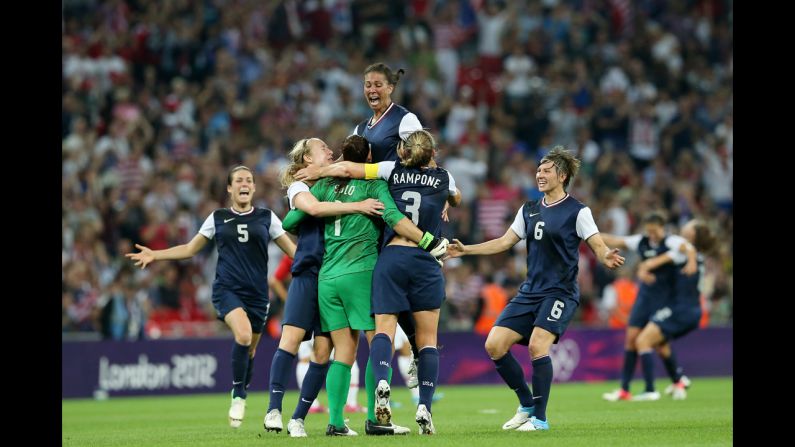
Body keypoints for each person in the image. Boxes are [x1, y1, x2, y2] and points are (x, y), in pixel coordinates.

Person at [445, 146, 625, 432]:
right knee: (494, 344)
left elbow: (597, 244)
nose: (539, 174)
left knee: (537, 345)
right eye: (538, 170)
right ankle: (526, 404)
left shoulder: (578, 211)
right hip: (530, 292)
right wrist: (466, 249)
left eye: (546, 170)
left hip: (560, 292)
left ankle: (540, 420)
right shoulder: (528, 209)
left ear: (562, 176)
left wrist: (605, 256)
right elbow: (504, 242)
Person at [282, 134, 448, 436]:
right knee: (378, 342)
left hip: (328, 278)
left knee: (343, 351)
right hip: (361, 272)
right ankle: (375, 419)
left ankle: (335, 422)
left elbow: (290, 222)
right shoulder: (374, 185)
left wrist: (325, 207)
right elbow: (392, 214)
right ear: (369, 157)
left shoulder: (323, 187)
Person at [125, 165, 297, 429]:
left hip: (258, 295)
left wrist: (323, 262)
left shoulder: (267, 217)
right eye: (238, 180)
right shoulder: (217, 217)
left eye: (248, 180)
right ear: (229, 188)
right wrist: (155, 255)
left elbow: (292, 251)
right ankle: (238, 395)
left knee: (250, 351)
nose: (244, 184)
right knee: (243, 336)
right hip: (227, 290)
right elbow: (190, 249)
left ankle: (242, 387)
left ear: (253, 188)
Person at [264, 137, 385, 437]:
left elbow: (294, 221)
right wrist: (357, 206)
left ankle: (299, 418)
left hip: (328, 275)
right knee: (291, 340)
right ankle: (273, 410)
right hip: (309, 273)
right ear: (306, 159)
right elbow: (307, 212)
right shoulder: (300, 186)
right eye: (323, 149)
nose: (330, 152)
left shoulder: (329, 180)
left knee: (323, 351)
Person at [599, 211, 690, 402]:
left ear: (662, 228)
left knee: (658, 344)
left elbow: (687, 247)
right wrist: (589, 235)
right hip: (644, 298)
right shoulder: (640, 241)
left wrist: (690, 261)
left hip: (664, 300)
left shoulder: (671, 242)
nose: (652, 235)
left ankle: (663, 384)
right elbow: (616, 240)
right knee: (631, 339)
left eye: (655, 231)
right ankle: (625, 389)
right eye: (649, 231)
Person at [629, 219, 717, 400]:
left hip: (681, 309)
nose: (685, 225)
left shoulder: (681, 252)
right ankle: (678, 381)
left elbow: (652, 263)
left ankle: (650, 390)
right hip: (690, 309)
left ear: (692, 234)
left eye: (690, 224)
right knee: (661, 345)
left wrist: (644, 268)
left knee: (642, 341)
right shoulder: (694, 254)